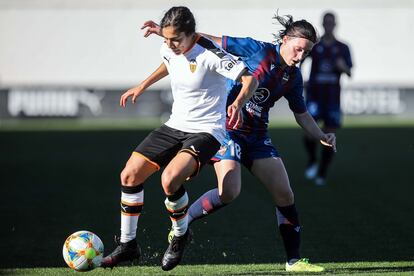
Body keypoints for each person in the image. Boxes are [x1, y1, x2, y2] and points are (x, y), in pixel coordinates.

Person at [142, 12, 335, 273]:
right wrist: (170, 35)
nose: (301, 57)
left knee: (284, 193)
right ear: (286, 40)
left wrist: (322, 135)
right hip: (225, 131)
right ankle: (183, 224)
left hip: (257, 136)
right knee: (229, 192)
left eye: (306, 53)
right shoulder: (256, 49)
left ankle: (293, 261)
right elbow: (211, 41)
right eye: (299, 49)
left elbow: (301, 114)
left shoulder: (293, 77)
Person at [101, 6, 258, 271]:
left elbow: (249, 79)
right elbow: (168, 62)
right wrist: (142, 85)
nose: (170, 45)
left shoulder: (210, 53)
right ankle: (128, 245)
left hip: (208, 130)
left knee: (170, 179)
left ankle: (181, 235)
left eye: (176, 40)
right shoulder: (169, 46)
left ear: (191, 35)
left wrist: (240, 102)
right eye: (166, 39)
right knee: (129, 175)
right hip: (175, 125)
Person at [303, 11, 352, 185]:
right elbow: (299, 61)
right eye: (326, 22)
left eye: (332, 22)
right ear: (323, 24)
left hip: (332, 98)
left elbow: (349, 72)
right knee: (309, 132)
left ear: (335, 24)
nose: (329, 25)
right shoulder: (315, 45)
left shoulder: (343, 47)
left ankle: (322, 173)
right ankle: (312, 160)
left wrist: (342, 66)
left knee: (330, 134)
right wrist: (301, 81)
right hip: (314, 95)